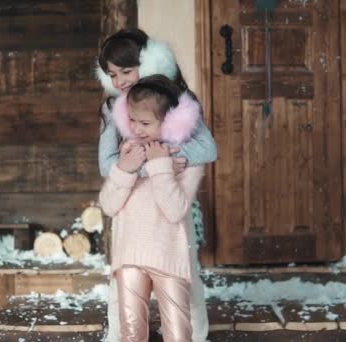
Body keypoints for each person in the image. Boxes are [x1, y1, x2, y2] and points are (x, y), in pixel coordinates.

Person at [95, 29, 214, 342]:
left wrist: (166, 158)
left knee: (185, 279)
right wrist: (147, 164)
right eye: (112, 74)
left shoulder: (176, 104)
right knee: (123, 293)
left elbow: (207, 149)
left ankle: (196, 335)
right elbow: (107, 165)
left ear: (149, 63)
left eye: (126, 71)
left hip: (171, 214)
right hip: (132, 220)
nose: (120, 81)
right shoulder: (113, 108)